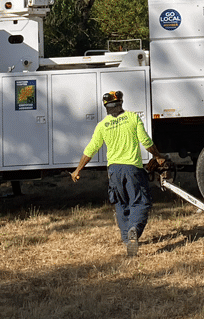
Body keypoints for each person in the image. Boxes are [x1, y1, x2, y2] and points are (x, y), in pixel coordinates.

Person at [70, 90, 167, 257]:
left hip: (114, 171)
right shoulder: (132, 118)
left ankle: (127, 240)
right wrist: (157, 156)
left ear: (106, 107)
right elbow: (146, 141)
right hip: (132, 169)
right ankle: (134, 229)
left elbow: (90, 149)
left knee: (121, 204)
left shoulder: (102, 125)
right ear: (121, 103)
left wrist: (77, 170)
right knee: (140, 202)